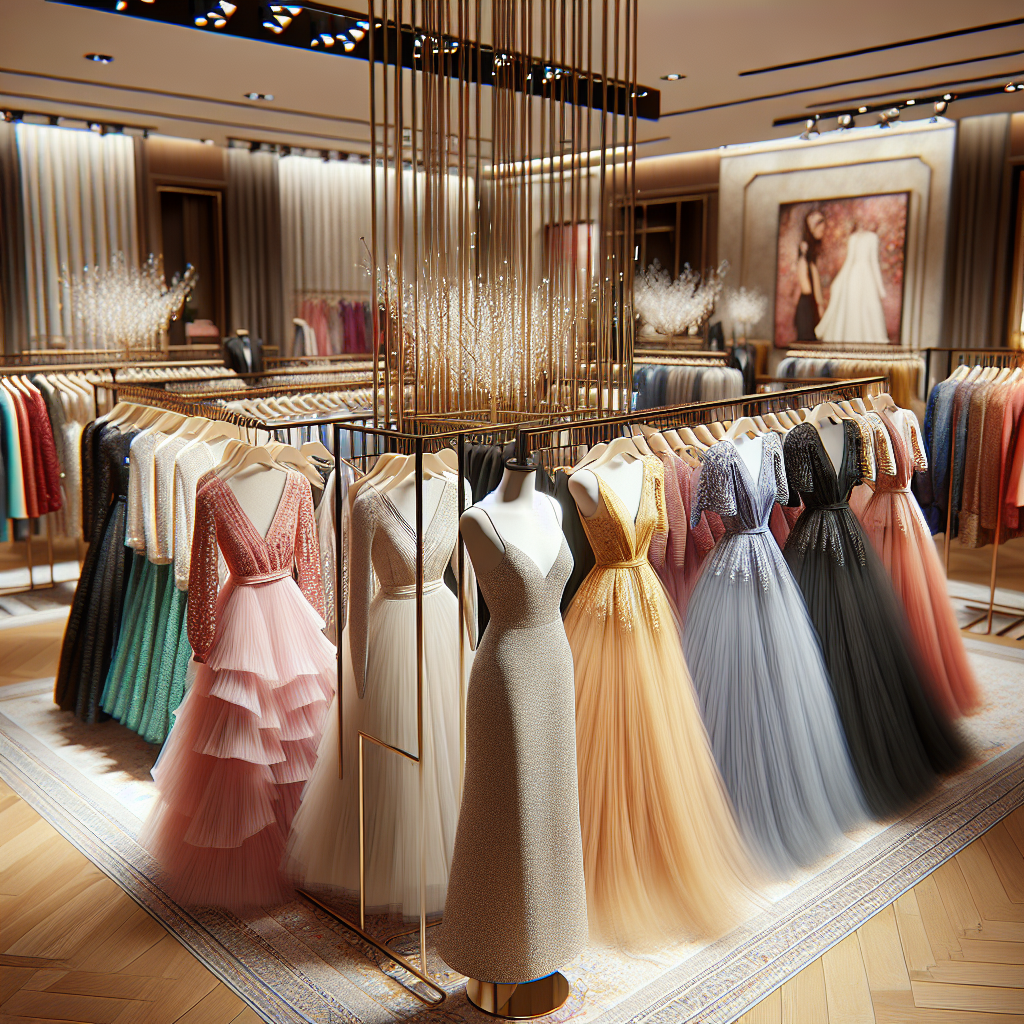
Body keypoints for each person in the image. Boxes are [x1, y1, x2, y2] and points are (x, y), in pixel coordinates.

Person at [794, 210, 825, 341]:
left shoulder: (811, 257)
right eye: (818, 223)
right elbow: (807, 288)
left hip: (809, 306)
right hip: (806, 309)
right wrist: (818, 304)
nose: (822, 227)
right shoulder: (804, 254)